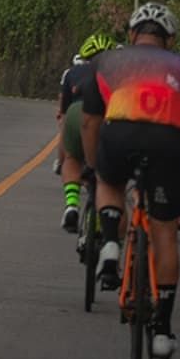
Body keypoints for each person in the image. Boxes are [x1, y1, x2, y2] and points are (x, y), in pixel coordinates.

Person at [81, 1, 180, 359]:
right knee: (164, 233)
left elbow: (90, 122)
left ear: (130, 34)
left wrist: (95, 167)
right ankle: (163, 330)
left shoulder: (107, 62)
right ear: (170, 39)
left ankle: (110, 242)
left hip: (119, 135)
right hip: (167, 144)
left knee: (108, 183)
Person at [54, 33, 114, 232]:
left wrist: (61, 154)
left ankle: (72, 204)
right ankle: (101, 219)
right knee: (103, 167)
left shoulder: (73, 73)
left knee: (72, 158)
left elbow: (63, 114)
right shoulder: (118, 73)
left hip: (76, 112)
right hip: (108, 115)